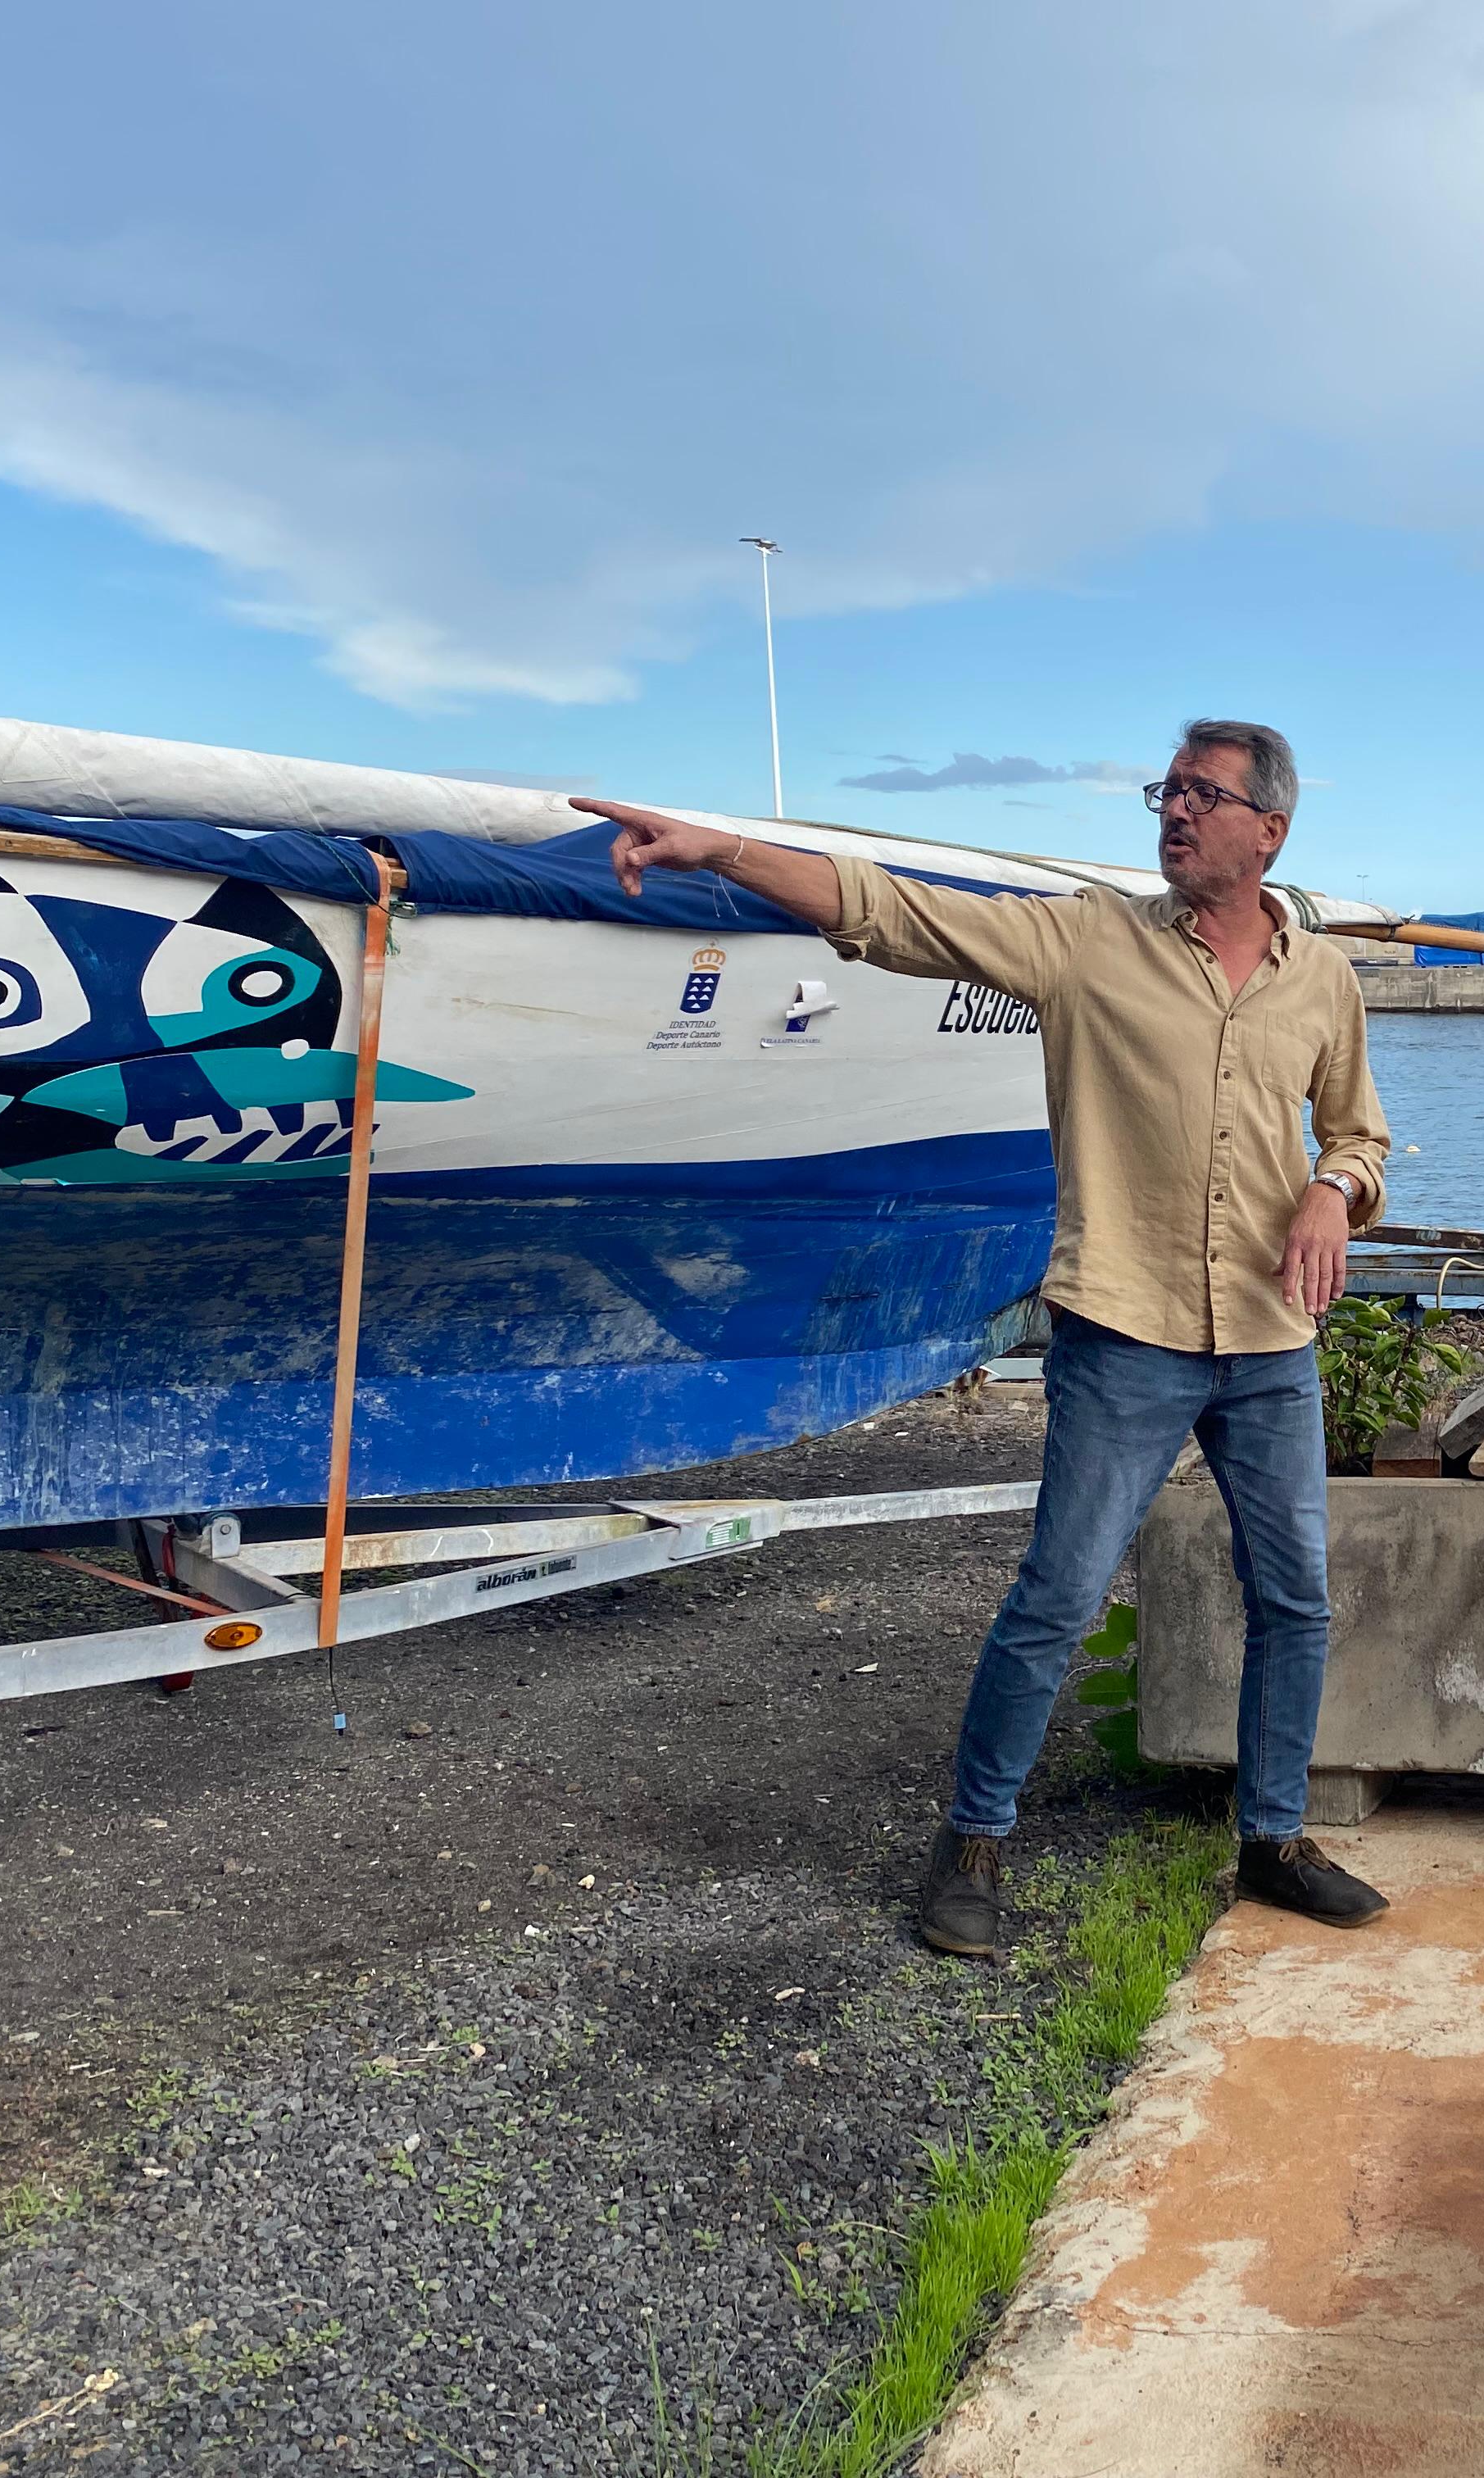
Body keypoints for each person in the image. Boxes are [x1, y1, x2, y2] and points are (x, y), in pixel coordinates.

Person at [577, 719, 1394, 1961]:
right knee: (1056, 1600)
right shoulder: (1086, 941)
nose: (1173, 812)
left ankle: (1272, 1835)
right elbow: (893, 913)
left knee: (1296, 1599)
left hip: (1273, 1339)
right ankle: (971, 1843)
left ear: (1270, 828)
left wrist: (1336, 1190)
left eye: (1203, 794)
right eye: (1165, 790)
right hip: (1128, 1328)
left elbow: (1358, 1131)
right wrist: (724, 852)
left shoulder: (1321, 980)